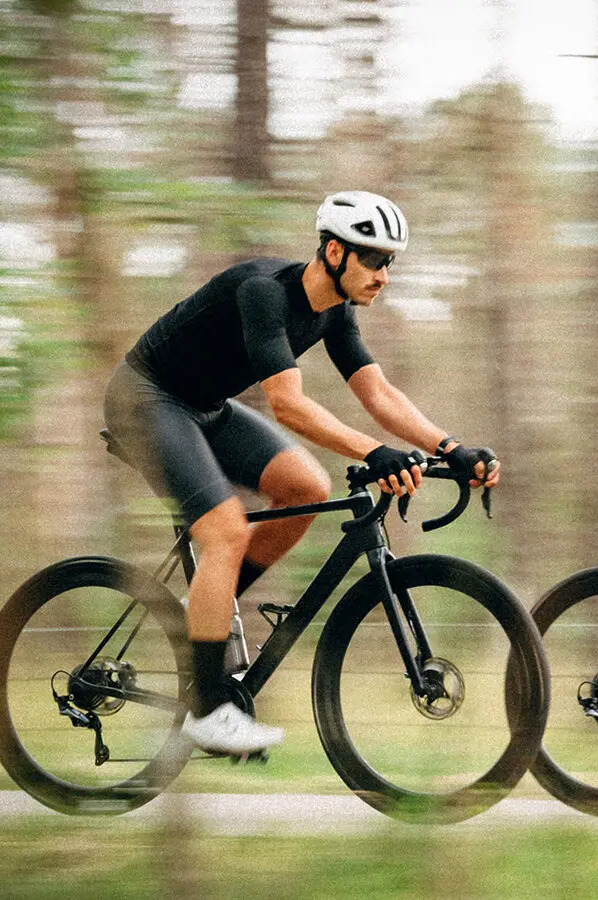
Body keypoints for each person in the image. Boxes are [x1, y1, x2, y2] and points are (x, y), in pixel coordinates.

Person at [104, 191, 500, 756]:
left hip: (206, 407)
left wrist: (451, 447)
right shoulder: (264, 293)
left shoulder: (335, 313)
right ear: (335, 252)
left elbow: (378, 393)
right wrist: (373, 451)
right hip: (145, 399)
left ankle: (203, 615)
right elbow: (287, 406)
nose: (385, 275)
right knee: (225, 530)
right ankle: (208, 710)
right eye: (374, 259)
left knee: (307, 490)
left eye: (391, 263)